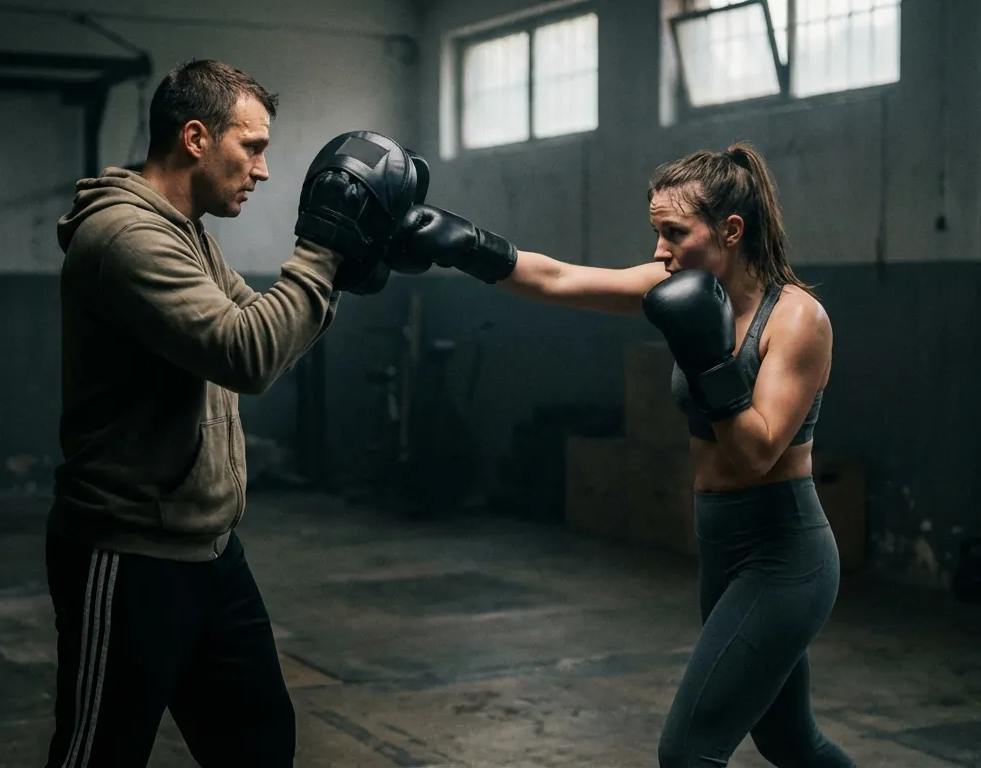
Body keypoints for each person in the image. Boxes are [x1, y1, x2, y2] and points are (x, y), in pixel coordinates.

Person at [392, 143, 855, 767]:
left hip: (784, 555)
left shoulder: (797, 319)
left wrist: (710, 361)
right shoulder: (679, 288)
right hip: (722, 546)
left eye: (674, 233)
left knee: (689, 751)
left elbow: (756, 454)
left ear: (731, 230)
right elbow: (560, 280)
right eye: (655, 233)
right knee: (788, 740)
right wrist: (468, 246)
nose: (659, 251)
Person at [45, 58, 421, 768]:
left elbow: (260, 326)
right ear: (194, 138)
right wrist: (321, 250)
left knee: (258, 744)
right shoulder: (126, 238)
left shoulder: (188, 234)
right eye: (252, 147)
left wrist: (342, 264)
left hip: (209, 550)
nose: (264, 169)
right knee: (97, 756)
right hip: (129, 552)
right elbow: (245, 354)